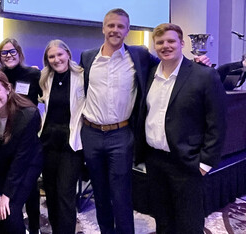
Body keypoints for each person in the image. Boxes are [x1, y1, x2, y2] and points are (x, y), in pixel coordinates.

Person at [79, 9, 211, 233]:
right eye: (111, 25)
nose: (115, 30)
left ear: (128, 30)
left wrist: (197, 62)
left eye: (121, 26)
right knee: (100, 193)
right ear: (103, 28)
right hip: (91, 134)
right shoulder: (88, 57)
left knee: (121, 196)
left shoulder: (139, 56)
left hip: (121, 135)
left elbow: (170, 61)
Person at [142, 23, 226, 234]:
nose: (165, 46)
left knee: (189, 224)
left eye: (171, 41)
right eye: (160, 42)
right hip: (155, 161)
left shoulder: (204, 75)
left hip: (187, 163)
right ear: (154, 46)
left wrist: (205, 163)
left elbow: (217, 123)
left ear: (182, 43)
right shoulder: (150, 74)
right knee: (162, 221)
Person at [0, 68, 43, 234]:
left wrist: (6, 195)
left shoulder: (28, 115)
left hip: (26, 165)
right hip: (0, 162)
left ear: (8, 88)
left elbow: (21, 160)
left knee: (9, 213)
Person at [38, 39, 85, 234]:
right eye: (51, 57)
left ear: (68, 54)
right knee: (50, 192)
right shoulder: (44, 78)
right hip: (48, 142)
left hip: (71, 143)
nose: (56, 60)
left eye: (59, 55)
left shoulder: (82, 76)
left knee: (65, 193)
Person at [0, 38, 42, 234]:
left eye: (12, 52)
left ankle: (34, 227)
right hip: (5, 136)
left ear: (19, 53)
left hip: (28, 134)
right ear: (0, 57)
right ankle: (13, 220)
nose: (9, 56)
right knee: (11, 180)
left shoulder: (33, 73)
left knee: (30, 186)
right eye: (4, 53)